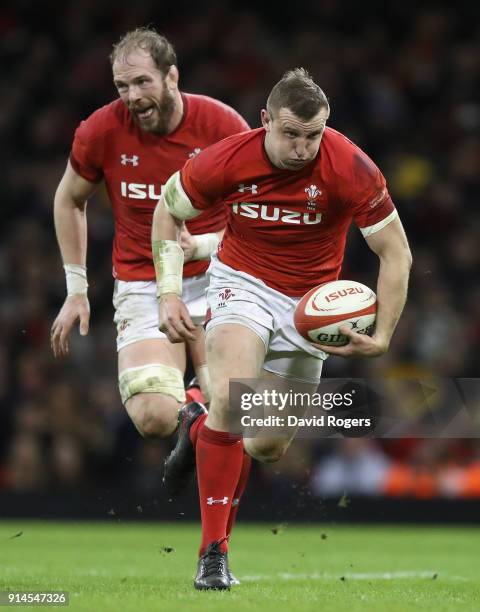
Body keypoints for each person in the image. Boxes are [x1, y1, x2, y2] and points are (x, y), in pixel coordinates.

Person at [152, 68, 412, 590]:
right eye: (290, 133)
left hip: (310, 309)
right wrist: (170, 291)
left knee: (267, 444)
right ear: (265, 120)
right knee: (234, 397)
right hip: (240, 283)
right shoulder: (225, 159)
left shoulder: (351, 166)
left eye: (312, 135)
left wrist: (382, 334)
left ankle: (198, 423)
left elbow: (396, 253)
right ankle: (213, 554)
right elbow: (166, 212)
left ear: (326, 127)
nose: (301, 147)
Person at [49, 28, 250, 583]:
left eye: (142, 81)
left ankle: (215, 554)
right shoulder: (100, 130)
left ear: (172, 76)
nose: (132, 95)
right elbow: (70, 198)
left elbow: (255, 209)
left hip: (222, 276)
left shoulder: (222, 126)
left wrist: (205, 246)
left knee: (245, 422)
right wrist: (76, 288)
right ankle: (190, 417)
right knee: (153, 415)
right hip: (140, 279)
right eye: (122, 85)